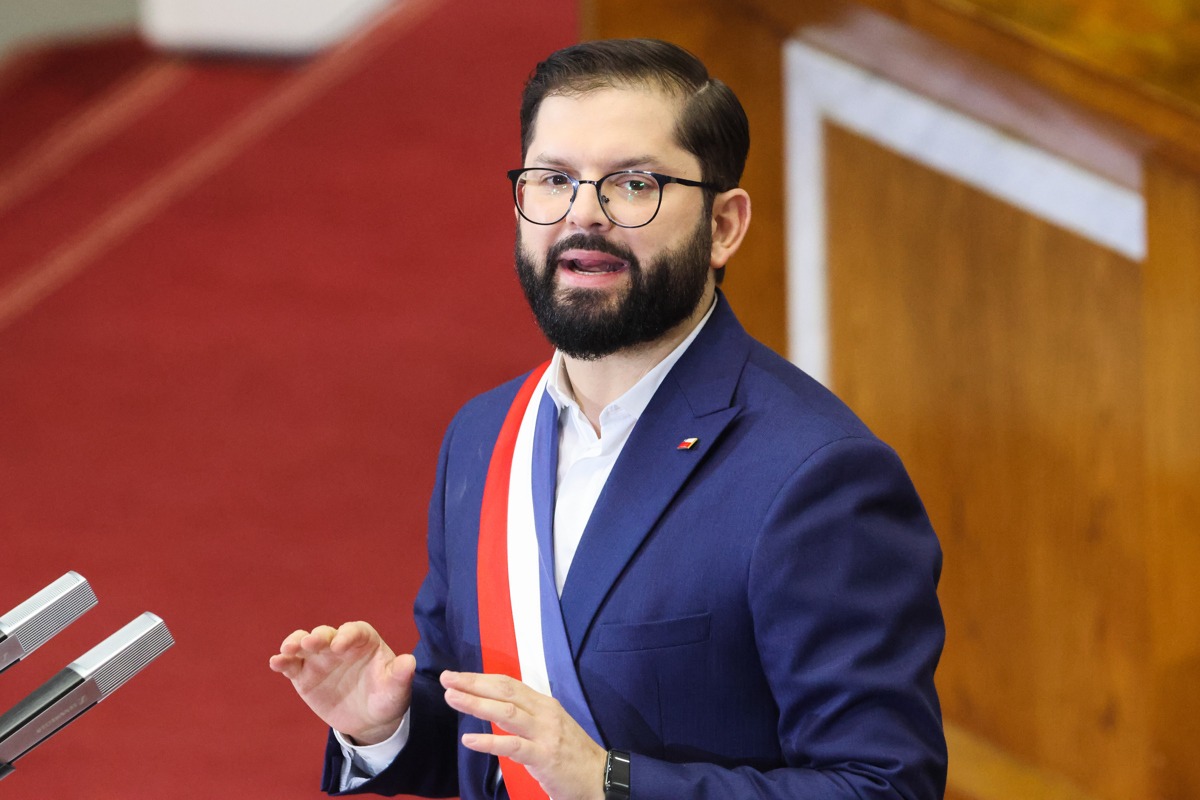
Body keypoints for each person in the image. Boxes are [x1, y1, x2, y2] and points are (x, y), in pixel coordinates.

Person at [270, 38, 946, 800]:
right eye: (553, 180)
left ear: (724, 225)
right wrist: (385, 728)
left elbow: (884, 788)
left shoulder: (817, 476)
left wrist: (609, 783)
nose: (582, 217)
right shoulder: (483, 435)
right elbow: (491, 755)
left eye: (633, 184)